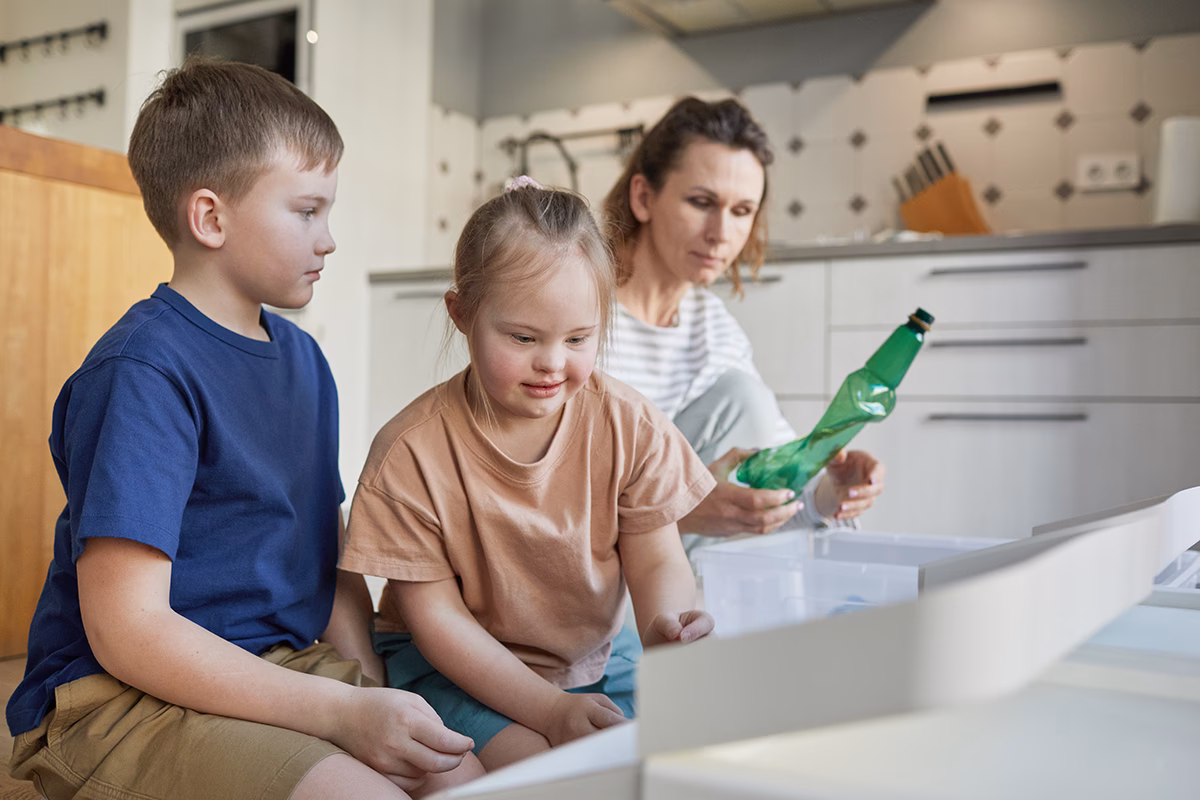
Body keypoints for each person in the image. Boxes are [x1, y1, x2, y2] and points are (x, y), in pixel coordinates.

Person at [5, 57, 480, 800]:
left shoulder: (305, 362)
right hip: (116, 700)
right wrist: (339, 710)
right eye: (306, 211)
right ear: (210, 217)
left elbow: (329, 555)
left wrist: (368, 690)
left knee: (461, 779)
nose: (329, 240)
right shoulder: (143, 371)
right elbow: (128, 631)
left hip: (277, 665)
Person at [339, 178, 716, 773]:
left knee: (674, 763)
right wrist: (548, 711)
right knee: (540, 774)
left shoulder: (629, 423)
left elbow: (658, 559)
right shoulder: (410, 453)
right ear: (461, 314)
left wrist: (665, 626)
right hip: (452, 667)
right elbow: (435, 620)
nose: (552, 362)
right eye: (523, 337)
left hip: (593, 658)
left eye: (578, 338)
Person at [601, 96, 887, 556]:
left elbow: (770, 466)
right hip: (572, 586)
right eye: (701, 202)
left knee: (744, 398)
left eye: (741, 211)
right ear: (643, 197)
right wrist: (680, 509)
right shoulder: (578, 317)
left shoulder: (714, 330)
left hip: (661, 577)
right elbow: (528, 495)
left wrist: (826, 496)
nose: (721, 233)